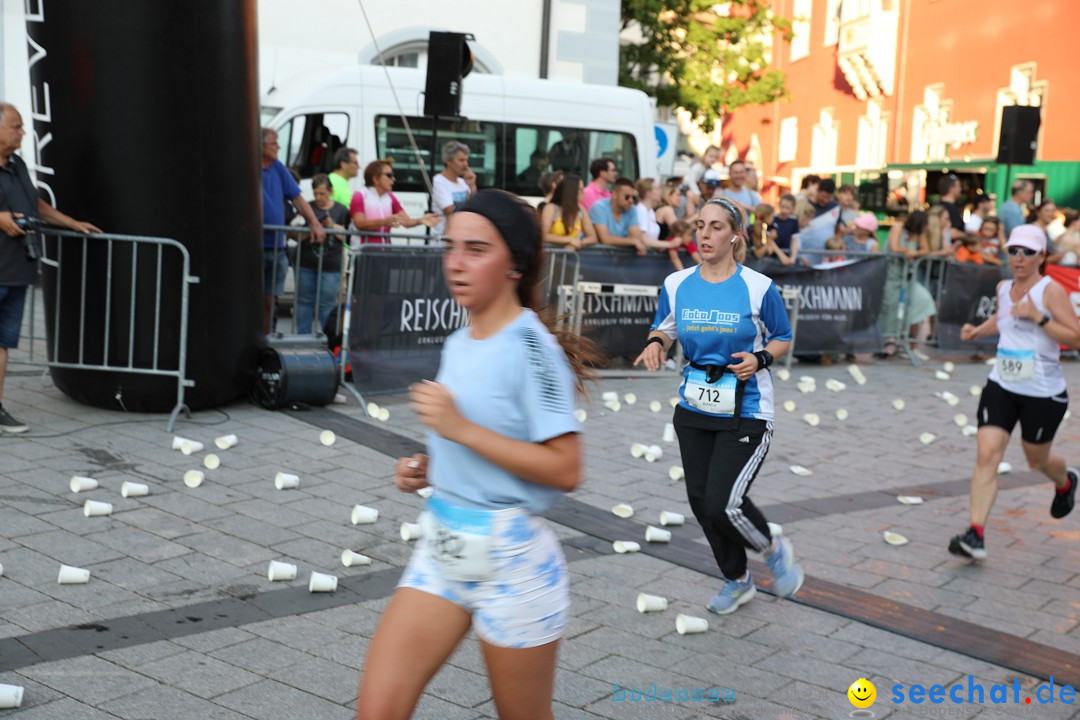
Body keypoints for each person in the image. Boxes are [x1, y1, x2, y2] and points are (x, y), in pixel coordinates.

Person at [355, 189, 599, 720]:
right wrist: (431, 468)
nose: (456, 264)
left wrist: (459, 429)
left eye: (476, 249)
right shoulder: (461, 340)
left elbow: (566, 468)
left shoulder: (532, 348)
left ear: (514, 263)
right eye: (450, 247)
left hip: (512, 562)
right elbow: (480, 439)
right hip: (443, 546)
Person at [632, 197, 804, 615]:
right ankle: (737, 579)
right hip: (695, 405)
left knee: (723, 502)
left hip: (746, 408)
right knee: (701, 503)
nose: (704, 235)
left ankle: (772, 548)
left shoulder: (758, 287)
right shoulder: (677, 284)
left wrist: (760, 358)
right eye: (700, 226)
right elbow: (665, 327)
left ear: (735, 236)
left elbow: (782, 337)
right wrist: (656, 344)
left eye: (715, 227)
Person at [949, 224, 1080, 560]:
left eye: (1027, 252)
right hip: (1002, 384)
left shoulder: (1051, 291)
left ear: (1042, 256)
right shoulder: (1004, 286)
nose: (1019, 258)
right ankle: (975, 534)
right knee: (987, 454)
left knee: (1036, 459)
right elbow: (1001, 318)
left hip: (1043, 392)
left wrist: (1039, 317)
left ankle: (1065, 482)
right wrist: (976, 331)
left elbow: (1076, 336)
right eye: (1013, 251)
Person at [0, 102, 101, 433]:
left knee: (2, 343)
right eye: (16, 126)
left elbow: (36, 205)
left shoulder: (16, 165)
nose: (22, 132)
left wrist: (72, 223)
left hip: (16, 270)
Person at [261, 127, 324, 334]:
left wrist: (314, 222)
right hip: (255, 246)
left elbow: (297, 198)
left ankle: (266, 339)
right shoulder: (248, 166)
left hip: (277, 247)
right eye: (274, 142)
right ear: (261, 146)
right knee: (253, 299)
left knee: (271, 300)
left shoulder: (278, 167)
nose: (278, 146)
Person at [878, 211, 937, 358]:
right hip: (891, 275)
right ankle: (888, 341)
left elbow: (926, 250)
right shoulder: (899, 227)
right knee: (890, 307)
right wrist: (907, 251)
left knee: (922, 301)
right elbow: (894, 247)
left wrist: (913, 253)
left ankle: (910, 343)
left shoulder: (918, 233)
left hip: (908, 277)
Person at [297, 175, 349, 334]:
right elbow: (294, 232)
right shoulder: (308, 207)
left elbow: (347, 235)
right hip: (307, 262)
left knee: (327, 304)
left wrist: (331, 225)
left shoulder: (341, 210)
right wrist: (308, 230)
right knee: (304, 302)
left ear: (330, 191)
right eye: (315, 194)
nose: (318, 198)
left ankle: (327, 339)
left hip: (331, 264)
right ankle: (302, 338)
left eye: (322, 194)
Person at [351, 160, 437, 243]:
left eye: (393, 175)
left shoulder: (390, 197)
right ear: (375, 179)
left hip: (384, 251)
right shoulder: (360, 195)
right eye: (389, 175)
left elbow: (406, 222)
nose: (393, 179)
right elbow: (359, 224)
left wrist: (420, 220)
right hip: (362, 252)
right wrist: (384, 222)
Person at [589, 177, 646, 254]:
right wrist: (632, 241)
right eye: (627, 197)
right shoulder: (599, 207)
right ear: (614, 195)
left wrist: (634, 240)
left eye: (633, 198)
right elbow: (605, 239)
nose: (631, 201)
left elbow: (637, 237)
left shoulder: (631, 209)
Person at [432, 141, 478, 236]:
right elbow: (450, 211)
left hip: (463, 234)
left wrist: (472, 186)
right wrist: (470, 205)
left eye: (466, 160)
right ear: (448, 161)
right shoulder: (439, 181)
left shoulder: (463, 182)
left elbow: (476, 206)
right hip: (444, 239)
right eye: (461, 160)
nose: (465, 164)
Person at [540, 174, 596, 249]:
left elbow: (593, 237)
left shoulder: (581, 209)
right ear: (571, 191)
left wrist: (579, 243)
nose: (584, 192)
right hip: (552, 256)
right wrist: (569, 240)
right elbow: (543, 235)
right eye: (580, 189)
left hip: (573, 256)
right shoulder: (551, 208)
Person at [937, 174, 966, 240]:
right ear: (952, 189)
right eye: (959, 186)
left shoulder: (937, 206)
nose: (960, 189)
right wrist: (967, 236)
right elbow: (952, 233)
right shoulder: (950, 209)